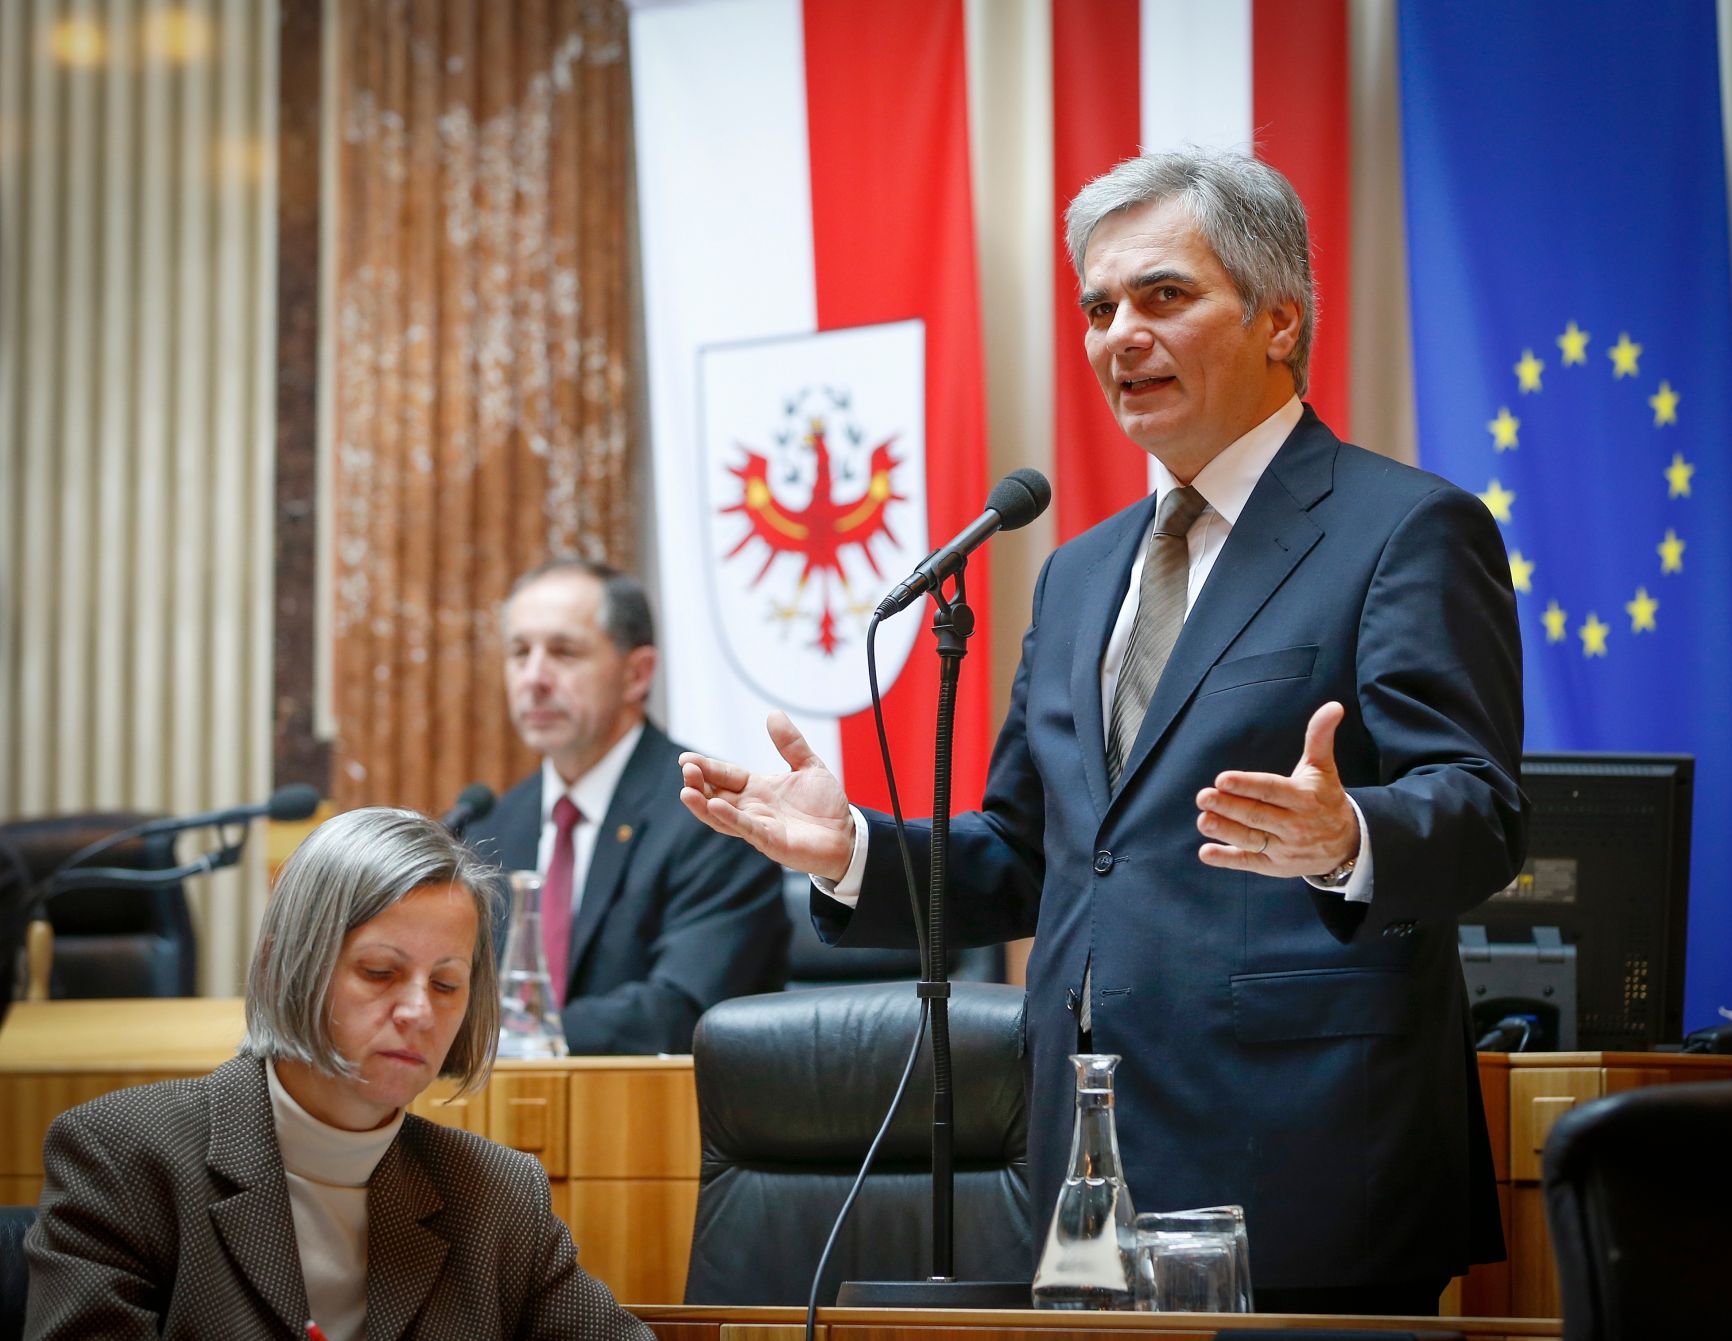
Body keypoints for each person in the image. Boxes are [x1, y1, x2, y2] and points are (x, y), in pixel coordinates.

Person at [679, 149, 1527, 1315]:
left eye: (1162, 296)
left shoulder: (1404, 529)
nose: (1120, 335)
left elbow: (1479, 813)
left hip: (1309, 1153)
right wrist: (852, 853)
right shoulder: (1078, 575)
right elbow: (1031, 857)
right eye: (1097, 308)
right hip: (1084, 1169)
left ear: (1278, 320)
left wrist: (1347, 838)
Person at [24, 807, 654, 1341]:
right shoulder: (123, 1157)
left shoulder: (497, 1196)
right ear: (288, 966)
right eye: (379, 972)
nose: (418, 1012)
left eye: (446, 984)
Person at [465, 558, 787, 1055]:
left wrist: (501, 1039)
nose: (533, 678)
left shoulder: (712, 816)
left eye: (564, 652)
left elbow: (680, 1012)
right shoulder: (493, 824)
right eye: (520, 652)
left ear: (637, 674)